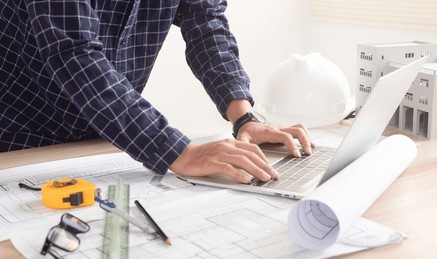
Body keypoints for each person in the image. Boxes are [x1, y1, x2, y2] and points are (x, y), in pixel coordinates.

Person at [0, 0, 314, 184]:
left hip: (103, 141)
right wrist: (178, 151)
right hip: (18, 138)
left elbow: (206, 22)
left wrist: (244, 118)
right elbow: (75, 52)